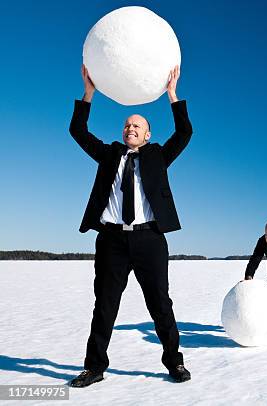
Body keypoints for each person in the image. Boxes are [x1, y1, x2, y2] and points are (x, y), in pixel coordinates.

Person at [68, 64, 193, 387]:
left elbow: (184, 134)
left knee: (160, 304)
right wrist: (89, 93)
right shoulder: (109, 154)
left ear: (148, 134)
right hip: (111, 240)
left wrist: (172, 95)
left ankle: (174, 362)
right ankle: (95, 367)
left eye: (137, 125)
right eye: (126, 125)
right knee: (104, 306)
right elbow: (78, 132)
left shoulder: (157, 157)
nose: (130, 128)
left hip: (149, 239)